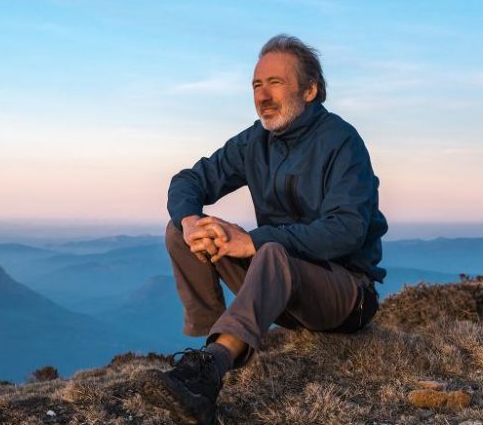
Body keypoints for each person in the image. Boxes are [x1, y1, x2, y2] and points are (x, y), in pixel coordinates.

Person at [136, 34, 388, 425]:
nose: (263, 95)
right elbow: (189, 180)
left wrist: (252, 241)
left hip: (345, 294)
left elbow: (346, 231)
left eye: (276, 83)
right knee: (182, 230)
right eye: (257, 84)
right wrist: (189, 221)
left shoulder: (342, 143)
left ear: (310, 90)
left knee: (270, 251)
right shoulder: (256, 141)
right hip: (281, 291)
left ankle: (208, 372)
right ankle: (202, 362)